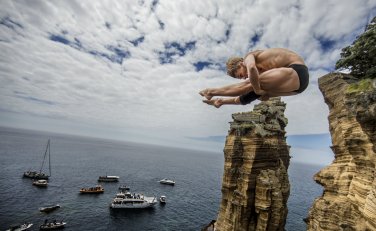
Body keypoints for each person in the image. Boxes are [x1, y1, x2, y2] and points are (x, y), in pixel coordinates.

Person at [199, 48, 309, 108]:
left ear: (241, 64)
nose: (244, 77)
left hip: (297, 70)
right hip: (296, 89)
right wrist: (259, 92)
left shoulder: (249, 57)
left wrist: (256, 89)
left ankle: (211, 91)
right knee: (252, 94)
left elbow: (251, 68)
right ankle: (221, 101)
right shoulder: (263, 74)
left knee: (251, 85)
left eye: (241, 75)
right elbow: (253, 92)